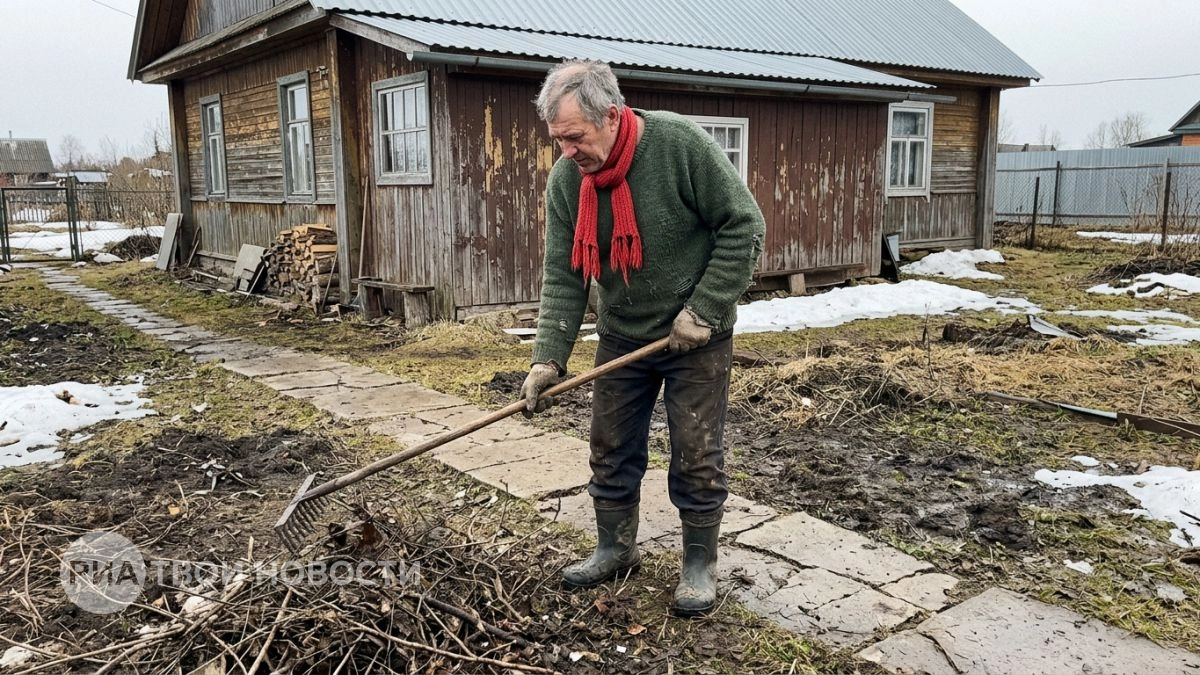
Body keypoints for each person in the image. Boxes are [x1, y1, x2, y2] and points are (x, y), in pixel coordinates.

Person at [522, 59, 765, 617]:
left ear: (611, 115)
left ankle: (699, 566)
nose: (566, 152)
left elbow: (743, 224)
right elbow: (563, 271)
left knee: (697, 452)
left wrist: (703, 308)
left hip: (696, 336)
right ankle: (615, 548)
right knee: (610, 446)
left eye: (574, 137)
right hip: (623, 335)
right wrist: (547, 360)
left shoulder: (678, 145)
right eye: (557, 140)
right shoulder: (568, 182)